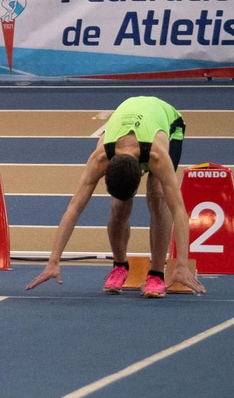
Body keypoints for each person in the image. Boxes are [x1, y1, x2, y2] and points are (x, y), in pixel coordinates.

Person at [27, 96, 205, 298]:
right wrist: (53, 261)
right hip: (130, 122)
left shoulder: (157, 156)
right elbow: (73, 209)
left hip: (167, 122)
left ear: (141, 171)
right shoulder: (100, 158)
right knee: (119, 205)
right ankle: (120, 266)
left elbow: (178, 209)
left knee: (157, 196)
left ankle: (156, 274)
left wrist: (182, 264)